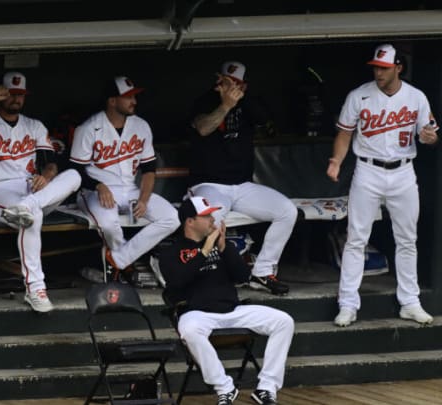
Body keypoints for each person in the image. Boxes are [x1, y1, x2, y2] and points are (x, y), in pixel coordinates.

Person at [327, 44, 437, 327]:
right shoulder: (359, 95)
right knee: (356, 238)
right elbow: (344, 133)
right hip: (368, 170)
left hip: (403, 171)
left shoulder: (416, 97)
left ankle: (410, 302)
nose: (378, 72)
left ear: (398, 67)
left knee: (407, 239)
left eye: (384, 67)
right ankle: (348, 304)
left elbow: (429, 137)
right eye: (376, 67)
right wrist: (337, 161)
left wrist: (427, 137)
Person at [0, 72, 81, 312]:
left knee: (73, 176)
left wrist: (45, 177)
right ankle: (36, 288)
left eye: (20, 95)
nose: (16, 99)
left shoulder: (34, 125)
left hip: (30, 188)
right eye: (11, 94)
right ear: (2, 94)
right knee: (33, 216)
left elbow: (51, 163)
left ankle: (28, 204)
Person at [159, 197, 294, 405]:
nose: (213, 220)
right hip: (198, 313)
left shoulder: (221, 245)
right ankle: (224, 387)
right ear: (190, 221)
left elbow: (242, 276)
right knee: (189, 329)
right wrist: (204, 252)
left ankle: (266, 388)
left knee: (283, 321)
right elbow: (177, 281)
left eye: (212, 215)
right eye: (206, 216)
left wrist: (224, 248)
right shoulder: (171, 252)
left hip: (232, 310)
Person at [188, 61, 295, 296]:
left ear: (243, 86)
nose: (231, 87)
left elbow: (269, 126)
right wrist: (225, 105)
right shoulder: (205, 101)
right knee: (210, 219)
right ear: (219, 80)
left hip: (242, 185)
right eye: (227, 82)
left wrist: (240, 100)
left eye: (236, 84)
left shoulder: (249, 104)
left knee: (287, 210)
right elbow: (204, 128)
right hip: (207, 183)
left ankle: (262, 272)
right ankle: (202, 275)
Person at [70, 76, 179, 279]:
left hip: (130, 189)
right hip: (94, 191)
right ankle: (123, 267)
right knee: (109, 224)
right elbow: (75, 171)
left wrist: (144, 199)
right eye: (128, 97)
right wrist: (98, 185)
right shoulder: (88, 128)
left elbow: (148, 169)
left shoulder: (141, 126)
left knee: (171, 218)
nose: (134, 102)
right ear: (112, 101)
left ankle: (119, 261)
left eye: (134, 97)